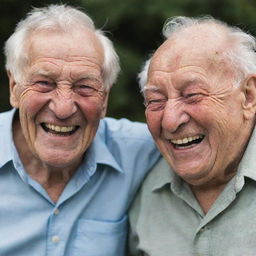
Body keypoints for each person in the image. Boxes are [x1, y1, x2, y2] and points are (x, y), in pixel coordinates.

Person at [0, 4, 160, 256]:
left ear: (104, 99)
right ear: (14, 88)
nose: (63, 108)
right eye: (44, 83)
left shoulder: (142, 150)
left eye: (84, 87)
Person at [129, 16, 256, 256]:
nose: (170, 120)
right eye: (156, 101)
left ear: (248, 96)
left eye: (192, 95)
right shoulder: (142, 184)